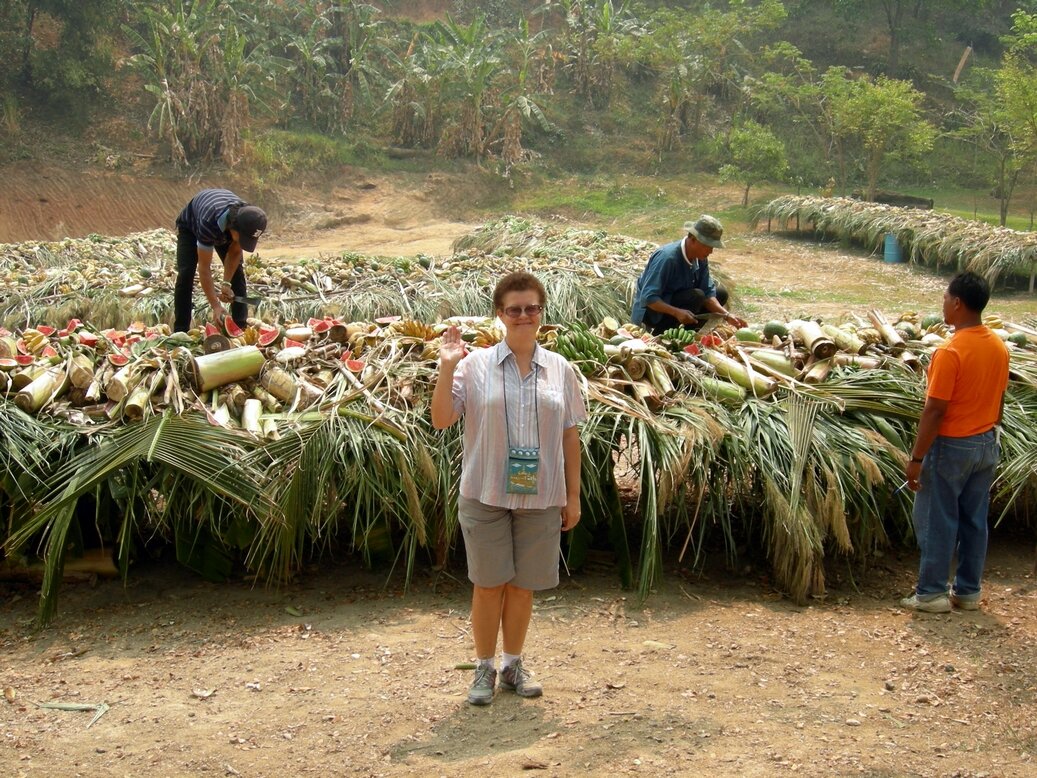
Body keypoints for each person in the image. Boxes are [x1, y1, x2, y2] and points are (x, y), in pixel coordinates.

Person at [431, 271, 586, 706]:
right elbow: (442, 419)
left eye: (531, 308)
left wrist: (573, 496)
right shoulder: (473, 365)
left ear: (542, 313)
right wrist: (446, 367)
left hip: (541, 496)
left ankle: (513, 664)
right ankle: (483, 667)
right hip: (485, 493)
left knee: (522, 586)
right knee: (488, 584)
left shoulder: (561, 369)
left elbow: (570, 435)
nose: (523, 316)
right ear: (500, 314)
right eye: (514, 309)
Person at [901, 271, 1009, 613]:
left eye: (945, 299)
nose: (943, 305)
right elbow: (1000, 398)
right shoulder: (997, 346)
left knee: (938, 517)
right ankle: (968, 591)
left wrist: (917, 458)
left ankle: (931, 593)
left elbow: (934, 410)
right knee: (974, 520)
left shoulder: (950, 352)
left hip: (951, 446)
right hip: (986, 442)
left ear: (958, 304)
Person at [630, 214, 747, 334]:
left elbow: (708, 292)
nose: (711, 251)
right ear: (693, 240)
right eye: (708, 246)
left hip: (680, 302)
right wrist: (677, 312)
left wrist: (726, 315)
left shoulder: (700, 258)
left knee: (720, 293)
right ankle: (662, 335)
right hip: (653, 313)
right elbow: (649, 298)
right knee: (696, 296)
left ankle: (688, 334)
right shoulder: (667, 258)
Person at [173, 188, 267, 332]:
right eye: (243, 238)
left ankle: (239, 327)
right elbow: (204, 268)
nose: (243, 242)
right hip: (190, 227)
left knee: (238, 273)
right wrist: (216, 306)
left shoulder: (248, 217)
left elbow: (235, 252)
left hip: (225, 225)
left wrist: (226, 283)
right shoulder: (208, 223)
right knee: (186, 274)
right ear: (234, 228)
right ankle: (180, 330)